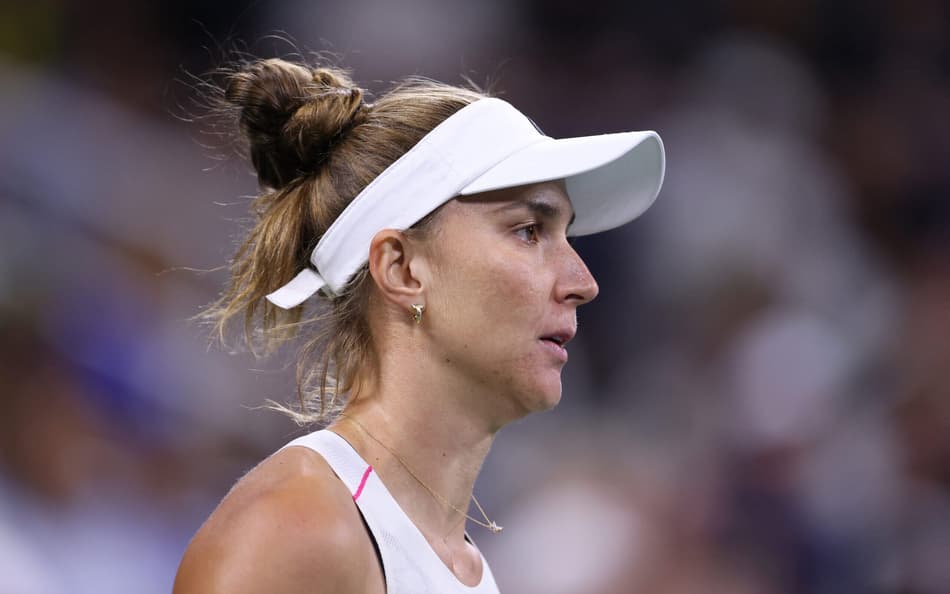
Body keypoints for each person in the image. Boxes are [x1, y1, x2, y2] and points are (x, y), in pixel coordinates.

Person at [173, 57, 665, 594]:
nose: (583, 281)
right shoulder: (297, 528)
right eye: (528, 231)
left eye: (566, 236)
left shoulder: (459, 562)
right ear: (402, 268)